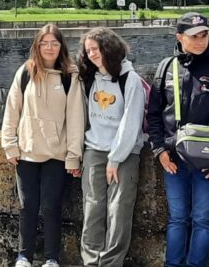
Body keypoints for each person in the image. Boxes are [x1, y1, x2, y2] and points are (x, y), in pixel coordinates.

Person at [147, 12, 209, 267]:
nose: (201, 40)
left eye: (204, 35)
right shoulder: (166, 67)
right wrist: (159, 149)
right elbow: (154, 114)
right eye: (194, 36)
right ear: (180, 37)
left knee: (203, 219)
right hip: (174, 159)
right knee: (177, 218)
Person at [1, 24, 84, 267]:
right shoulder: (26, 71)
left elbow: (76, 118)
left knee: (51, 207)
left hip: (57, 154)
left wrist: (73, 155)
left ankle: (51, 258)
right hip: (26, 152)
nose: (49, 47)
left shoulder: (70, 75)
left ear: (61, 47)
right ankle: (23, 255)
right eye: (44, 43)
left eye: (54, 43)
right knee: (28, 206)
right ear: (37, 46)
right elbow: (11, 110)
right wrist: (10, 145)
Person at [78, 27, 147, 267]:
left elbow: (131, 121)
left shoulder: (131, 79)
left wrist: (116, 157)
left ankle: (110, 263)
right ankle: (91, 260)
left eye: (95, 49)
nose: (92, 55)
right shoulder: (88, 78)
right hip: (94, 149)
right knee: (92, 208)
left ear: (109, 48)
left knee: (118, 211)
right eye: (88, 51)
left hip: (125, 153)